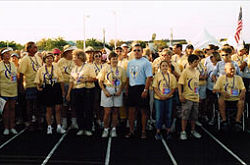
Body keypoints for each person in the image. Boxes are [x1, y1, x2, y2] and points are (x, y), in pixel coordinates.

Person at [66, 49, 96, 136]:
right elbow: (71, 81)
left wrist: (85, 79)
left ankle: (88, 128)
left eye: (75, 57)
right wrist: (68, 93)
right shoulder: (74, 68)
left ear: (80, 57)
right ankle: (81, 128)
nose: (73, 59)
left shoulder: (88, 67)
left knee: (88, 110)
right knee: (79, 110)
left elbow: (94, 78)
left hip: (87, 90)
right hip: (76, 90)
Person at [125, 43, 152, 139]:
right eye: (134, 50)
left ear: (142, 51)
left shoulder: (146, 62)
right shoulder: (130, 63)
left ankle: (143, 131)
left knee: (143, 111)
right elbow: (128, 77)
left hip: (141, 88)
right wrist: (127, 89)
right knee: (131, 111)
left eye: (138, 50)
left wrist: (145, 90)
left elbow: (149, 77)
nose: (136, 52)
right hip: (132, 89)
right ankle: (131, 131)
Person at [34, 52, 65, 134]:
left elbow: (61, 80)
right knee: (49, 109)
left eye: (51, 58)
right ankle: (49, 127)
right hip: (47, 89)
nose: (49, 59)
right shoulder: (41, 69)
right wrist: (38, 87)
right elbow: (38, 81)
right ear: (44, 59)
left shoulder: (56, 68)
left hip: (56, 88)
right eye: (47, 58)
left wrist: (63, 91)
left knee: (58, 108)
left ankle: (58, 126)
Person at [99, 52, 126, 137]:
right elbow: (100, 81)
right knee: (107, 112)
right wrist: (105, 91)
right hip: (108, 89)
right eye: (113, 59)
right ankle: (106, 129)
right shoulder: (105, 68)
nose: (114, 60)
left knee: (115, 111)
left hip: (117, 90)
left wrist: (120, 90)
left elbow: (124, 82)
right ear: (109, 60)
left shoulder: (121, 69)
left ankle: (113, 129)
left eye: (116, 58)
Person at [213, 63, 246, 131]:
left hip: (236, 99)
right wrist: (222, 92)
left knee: (241, 101)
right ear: (225, 70)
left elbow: (243, 88)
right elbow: (214, 90)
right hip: (225, 99)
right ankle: (224, 120)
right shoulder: (221, 78)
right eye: (231, 69)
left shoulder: (238, 78)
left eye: (234, 69)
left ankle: (237, 121)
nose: (233, 70)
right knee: (220, 100)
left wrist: (242, 93)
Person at [18, 42, 42, 130]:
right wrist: (21, 86)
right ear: (29, 49)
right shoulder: (25, 59)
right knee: (30, 105)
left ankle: (38, 122)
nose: (36, 48)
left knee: (38, 105)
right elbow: (21, 74)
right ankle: (30, 123)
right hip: (30, 84)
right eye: (34, 47)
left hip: (39, 85)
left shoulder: (38, 58)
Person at [178, 54, 202, 140]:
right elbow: (180, 83)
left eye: (197, 62)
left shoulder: (197, 72)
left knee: (194, 116)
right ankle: (183, 131)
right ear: (190, 62)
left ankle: (193, 130)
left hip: (195, 97)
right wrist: (180, 95)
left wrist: (198, 96)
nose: (197, 63)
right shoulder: (185, 71)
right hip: (187, 97)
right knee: (185, 115)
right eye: (195, 62)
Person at [152, 60, 177, 140]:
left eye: (166, 66)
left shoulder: (171, 76)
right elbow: (155, 87)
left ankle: (168, 130)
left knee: (168, 114)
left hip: (168, 98)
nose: (164, 67)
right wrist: (160, 96)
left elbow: (173, 88)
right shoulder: (157, 76)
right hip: (159, 99)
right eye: (163, 66)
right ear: (160, 67)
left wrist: (167, 96)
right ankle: (158, 131)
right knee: (159, 115)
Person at [57, 45, 78, 130]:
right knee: (64, 105)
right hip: (63, 84)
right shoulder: (61, 61)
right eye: (70, 52)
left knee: (74, 104)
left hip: (74, 85)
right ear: (66, 53)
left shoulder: (75, 61)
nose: (72, 54)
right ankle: (64, 122)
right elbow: (58, 74)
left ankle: (74, 122)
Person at [0, 48, 18, 135]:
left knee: (12, 109)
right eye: (6, 54)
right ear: (2, 56)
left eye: (8, 54)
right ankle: (6, 127)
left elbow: (15, 76)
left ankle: (12, 127)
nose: (8, 55)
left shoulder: (13, 64)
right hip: (3, 91)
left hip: (13, 90)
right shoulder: (0, 65)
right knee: (5, 110)